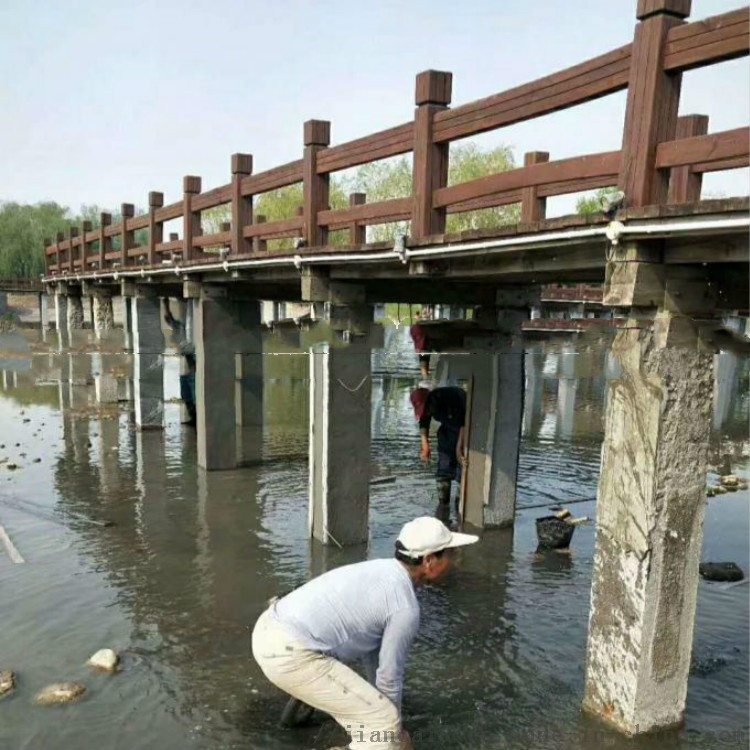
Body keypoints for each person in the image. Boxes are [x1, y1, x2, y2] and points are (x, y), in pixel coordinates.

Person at [252, 516, 479, 750]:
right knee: (385, 728)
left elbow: (374, 654)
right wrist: (393, 730)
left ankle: (292, 720)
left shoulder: (380, 569)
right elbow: (390, 677)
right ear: (429, 561)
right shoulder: (405, 608)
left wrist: (378, 703)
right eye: (449, 554)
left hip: (268, 630)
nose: (454, 560)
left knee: (335, 654)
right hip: (290, 654)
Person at [410, 383, 467, 525]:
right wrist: (425, 445)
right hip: (447, 431)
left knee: (463, 472)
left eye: (427, 409)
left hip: (464, 431)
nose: (427, 412)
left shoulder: (450, 398)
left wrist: (459, 450)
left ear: (431, 401)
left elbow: (464, 423)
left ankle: (460, 509)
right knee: (443, 471)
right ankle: (443, 507)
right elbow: (424, 422)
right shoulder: (428, 408)